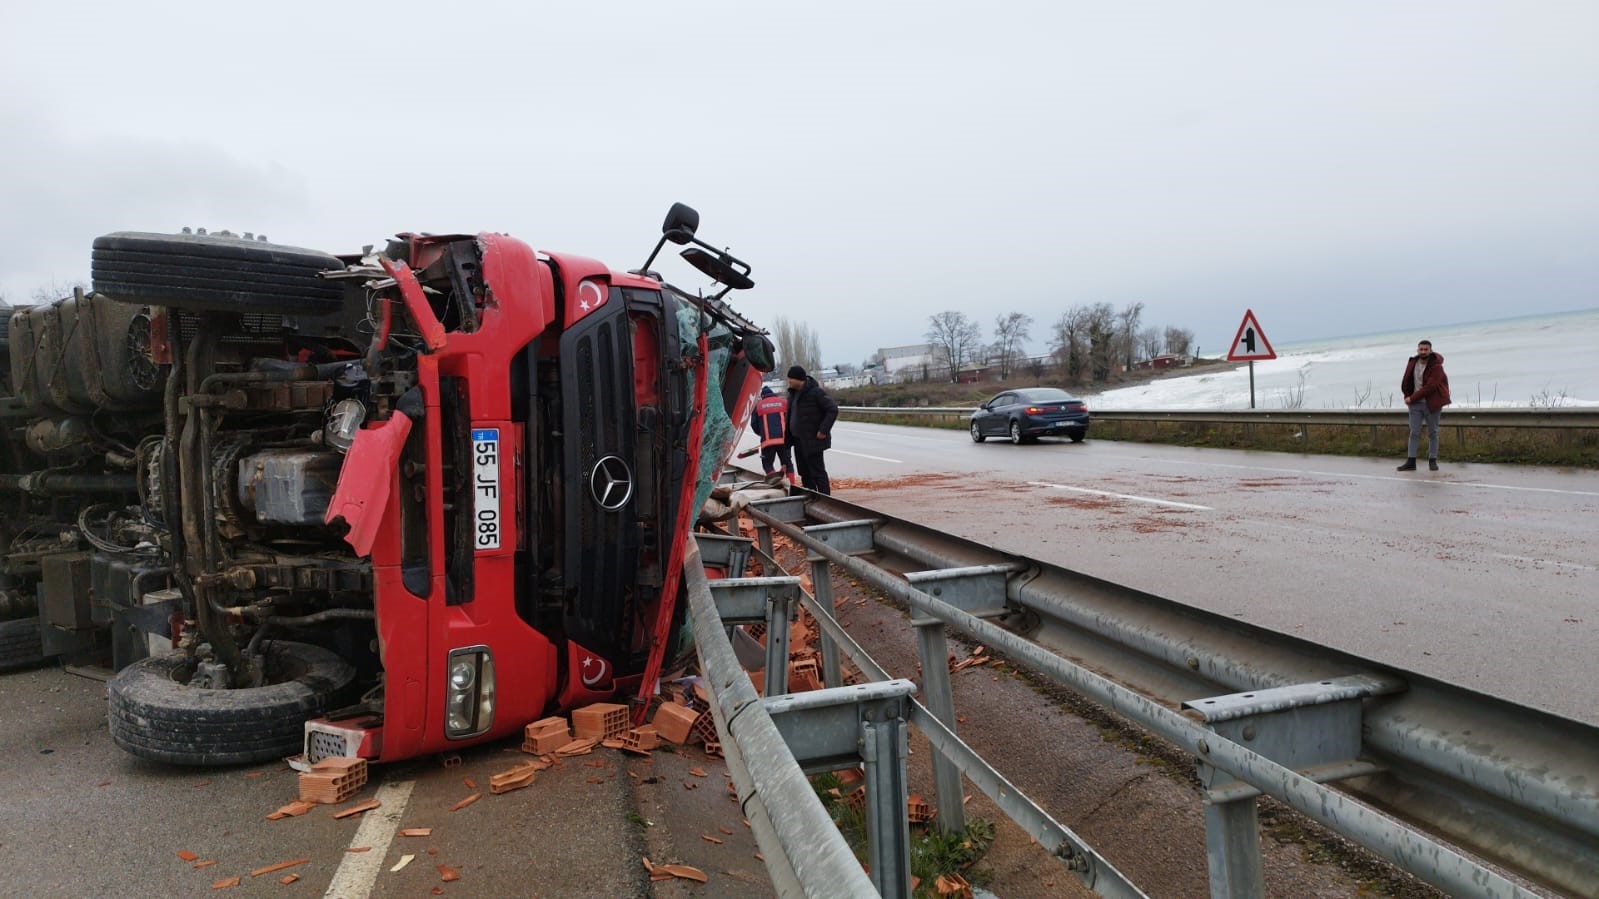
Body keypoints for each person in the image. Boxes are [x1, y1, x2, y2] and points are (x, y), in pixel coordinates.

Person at [784, 365, 839, 494]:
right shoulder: (793, 395)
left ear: (799, 379)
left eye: (791, 379)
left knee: (817, 472)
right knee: (804, 473)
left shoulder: (815, 392)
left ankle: (825, 500)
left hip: (813, 440)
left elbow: (832, 409)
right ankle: (811, 497)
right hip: (798, 441)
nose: (789, 381)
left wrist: (823, 430)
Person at [1398, 339, 1451, 471]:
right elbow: (1406, 380)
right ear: (1417, 350)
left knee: (1433, 432)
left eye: (1425, 349)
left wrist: (1412, 398)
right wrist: (1406, 395)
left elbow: (1430, 387)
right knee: (1414, 433)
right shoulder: (1412, 362)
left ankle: (1432, 460)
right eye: (1421, 349)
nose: (1423, 352)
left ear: (1431, 350)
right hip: (1415, 405)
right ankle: (1411, 462)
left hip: (1432, 403)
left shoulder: (1436, 366)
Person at [751, 385, 796, 484]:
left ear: (762, 396)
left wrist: (762, 433)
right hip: (784, 440)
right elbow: (791, 420)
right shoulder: (783, 403)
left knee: (767, 464)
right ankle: (792, 486)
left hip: (767, 442)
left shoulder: (758, 406)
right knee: (787, 463)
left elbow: (754, 424)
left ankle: (775, 484)